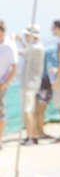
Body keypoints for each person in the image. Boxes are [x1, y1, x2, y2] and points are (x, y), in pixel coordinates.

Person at [18, 24, 45, 146]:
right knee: (29, 110)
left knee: (27, 110)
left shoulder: (36, 48)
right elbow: (26, 51)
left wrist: (14, 41)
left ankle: (31, 137)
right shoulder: (36, 47)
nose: (25, 36)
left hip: (29, 83)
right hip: (32, 83)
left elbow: (22, 52)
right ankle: (32, 136)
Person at [0, 20, 18, 150]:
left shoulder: (9, 46)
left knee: (0, 113)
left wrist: (5, 83)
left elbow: (14, 67)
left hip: (1, 84)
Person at [35, 46, 58, 139]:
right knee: (40, 110)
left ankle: (39, 131)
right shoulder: (49, 52)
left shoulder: (46, 53)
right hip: (44, 82)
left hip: (43, 82)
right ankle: (40, 132)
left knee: (39, 110)